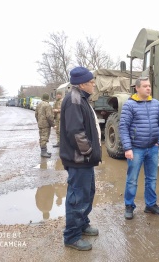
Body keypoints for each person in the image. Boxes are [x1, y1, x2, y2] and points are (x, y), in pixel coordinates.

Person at [60, 66, 101, 251]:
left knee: (88, 193)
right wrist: (89, 152)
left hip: (84, 160)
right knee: (77, 198)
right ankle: (72, 236)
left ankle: (82, 224)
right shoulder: (74, 100)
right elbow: (76, 132)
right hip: (79, 159)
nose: (94, 85)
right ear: (83, 84)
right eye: (92, 82)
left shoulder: (81, 98)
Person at [119, 76, 159, 220]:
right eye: (145, 86)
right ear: (137, 88)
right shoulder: (130, 105)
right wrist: (127, 148)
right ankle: (129, 206)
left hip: (152, 148)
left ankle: (150, 205)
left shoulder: (156, 103)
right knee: (132, 179)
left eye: (149, 86)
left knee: (152, 179)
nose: (148, 88)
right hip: (136, 148)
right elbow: (123, 127)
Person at [35, 93, 55, 158]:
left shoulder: (39, 104)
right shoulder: (47, 105)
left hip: (40, 124)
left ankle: (44, 151)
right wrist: (53, 124)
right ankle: (43, 152)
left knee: (41, 137)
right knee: (45, 138)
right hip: (46, 125)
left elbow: (36, 114)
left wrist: (39, 121)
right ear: (47, 98)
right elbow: (49, 116)